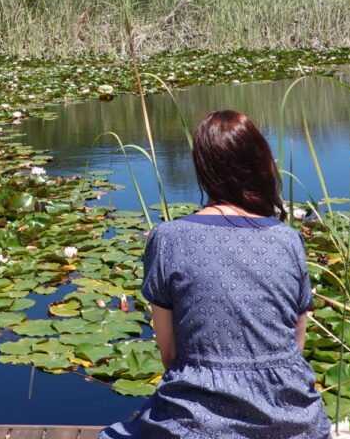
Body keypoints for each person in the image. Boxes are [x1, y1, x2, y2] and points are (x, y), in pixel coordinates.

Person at [99, 109, 332, 439]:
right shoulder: (287, 238)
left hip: (194, 425)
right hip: (293, 423)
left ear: (203, 167)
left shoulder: (169, 238)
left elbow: (169, 355)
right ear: (261, 162)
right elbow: (296, 346)